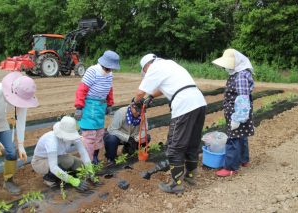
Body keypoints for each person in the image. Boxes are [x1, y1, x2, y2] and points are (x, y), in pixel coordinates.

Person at [134, 53, 207, 194]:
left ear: (146, 66)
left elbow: (139, 93)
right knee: (192, 143)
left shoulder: (153, 68)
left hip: (184, 106)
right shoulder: (170, 64)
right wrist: (151, 97)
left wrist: (136, 102)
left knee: (174, 147)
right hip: (199, 102)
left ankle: (176, 185)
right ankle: (190, 176)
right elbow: (163, 88)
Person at [0, 72, 39, 194]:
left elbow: (21, 120)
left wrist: (21, 145)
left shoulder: (23, 96)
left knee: (12, 151)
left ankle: (8, 180)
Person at [212, 48, 254, 177]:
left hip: (237, 113)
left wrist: (238, 117)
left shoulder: (240, 76)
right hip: (236, 112)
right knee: (241, 136)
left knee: (233, 138)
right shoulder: (239, 73)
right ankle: (243, 160)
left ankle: (230, 167)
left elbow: (243, 99)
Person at [74, 50, 120, 165]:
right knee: (89, 136)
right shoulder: (92, 71)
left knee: (99, 134)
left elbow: (109, 90)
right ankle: (87, 162)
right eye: (109, 67)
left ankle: (94, 157)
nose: (111, 70)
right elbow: (82, 89)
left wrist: (109, 104)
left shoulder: (109, 74)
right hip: (89, 106)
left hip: (100, 107)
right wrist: (79, 107)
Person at [31, 116, 91, 191]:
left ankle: (64, 175)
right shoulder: (51, 141)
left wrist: (89, 169)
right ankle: (49, 179)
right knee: (68, 161)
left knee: (80, 165)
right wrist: (71, 180)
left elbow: (83, 152)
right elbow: (53, 167)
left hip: (59, 157)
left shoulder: (73, 135)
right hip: (40, 162)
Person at [104, 98, 150, 163]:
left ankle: (127, 150)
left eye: (141, 111)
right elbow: (112, 130)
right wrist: (128, 138)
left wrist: (135, 139)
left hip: (133, 137)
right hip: (119, 137)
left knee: (146, 137)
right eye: (137, 110)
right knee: (111, 139)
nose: (138, 113)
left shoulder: (142, 115)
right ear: (131, 106)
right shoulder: (121, 112)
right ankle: (111, 158)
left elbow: (144, 130)